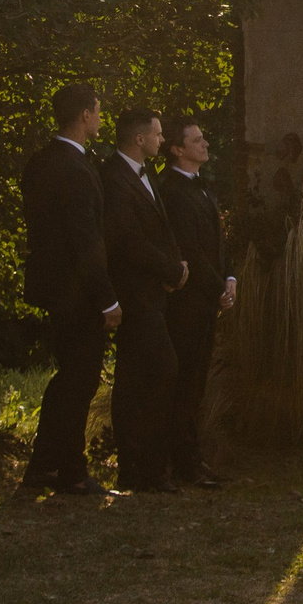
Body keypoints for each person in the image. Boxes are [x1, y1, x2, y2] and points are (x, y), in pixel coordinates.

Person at [19, 83, 119, 496]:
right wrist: (107, 299)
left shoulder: (42, 161)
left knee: (70, 378)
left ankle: (46, 465)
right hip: (77, 291)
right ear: (84, 115)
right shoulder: (74, 168)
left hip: (54, 287)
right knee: (79, 380)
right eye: (98, 110)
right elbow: (84, 239)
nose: (101, 118)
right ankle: (71, 471)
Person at [100, 107, 188, 493]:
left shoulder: (146, 173)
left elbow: (160, 230)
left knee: (139, 376)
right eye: (157, 134)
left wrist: (177, 266)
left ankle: (141, 469)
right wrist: (170, 270)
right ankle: (140, 466)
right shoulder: (114, 178)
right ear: (139, 139)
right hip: (133, 295)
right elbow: (128, 241)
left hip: (153, 292)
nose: (162, 140)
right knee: (157, 371)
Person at [157, 116, 236, 488]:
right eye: (197, 140)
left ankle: (192, 458)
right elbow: (189, 249)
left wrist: (230, 278)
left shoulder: (203, 188)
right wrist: (218, 287)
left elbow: (218, 242)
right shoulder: (172, 192)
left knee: (196, 382)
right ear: (177, 150)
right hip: (186, 303)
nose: (205, 144)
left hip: (207, 299)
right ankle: (182, 462)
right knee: (185, 381)